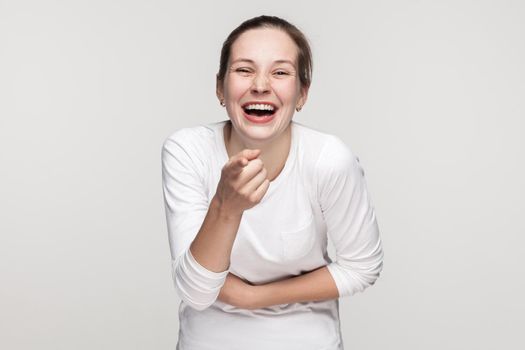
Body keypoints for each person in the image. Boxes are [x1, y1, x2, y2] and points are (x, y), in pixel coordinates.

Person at [161, 15, 384, 350]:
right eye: (244, 69)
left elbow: (362, 266)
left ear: (302, 94)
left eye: (280, 72)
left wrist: (253, 297)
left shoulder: (328, 159)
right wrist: (226, 206)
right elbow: (195, 290)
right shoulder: (188, 150)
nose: (261, 85)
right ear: (220, 88)